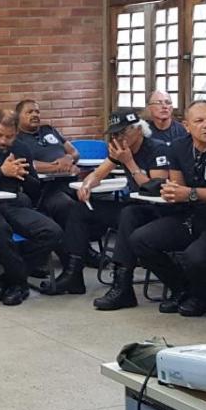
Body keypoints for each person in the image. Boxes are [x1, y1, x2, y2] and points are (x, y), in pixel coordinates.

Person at [99, 100, 206, 316]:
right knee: (140, 239)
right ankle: (182, 289)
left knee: (194, 256)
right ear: (187, 126)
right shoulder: (179, 147)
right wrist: (172, 192)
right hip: (190, 215)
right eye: (199, 121)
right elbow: (178, 188)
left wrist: (191, 193)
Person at [61, 111, 171, 297]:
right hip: (133, 207)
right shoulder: (120, 150)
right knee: (80, 209)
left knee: (129, 214)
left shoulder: (157, 149)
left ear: (138, 130)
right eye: (114, 134)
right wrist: (87, 185)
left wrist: (129, 162)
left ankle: (122, 285)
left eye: (122, 133)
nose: (117, 138)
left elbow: (156, 189)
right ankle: (73, 274)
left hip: (155, 211)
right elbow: (98, 174)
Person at [0, 110, 64, 305]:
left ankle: (9, 278)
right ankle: (18, 284)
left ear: (16, 133)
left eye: (9, 137)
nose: (3, 141)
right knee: (0, 229)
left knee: (53, 232)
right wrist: (1, 172)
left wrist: (23, 175)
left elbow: (35, 190)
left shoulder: (22, 148)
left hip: (13, 204)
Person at [14, 99, 79, 241]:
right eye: (29, 112)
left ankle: (81, 243)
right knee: (65, 204)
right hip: (46, 189)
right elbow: (26, 164)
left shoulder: (49, 130)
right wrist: (56, 167)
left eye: (37, 111)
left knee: (92, 200)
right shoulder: (16, 139)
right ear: (18, 116)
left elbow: (74, 152)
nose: (35, 115)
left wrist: (68, 158)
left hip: (70, 182)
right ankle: (73, 247)